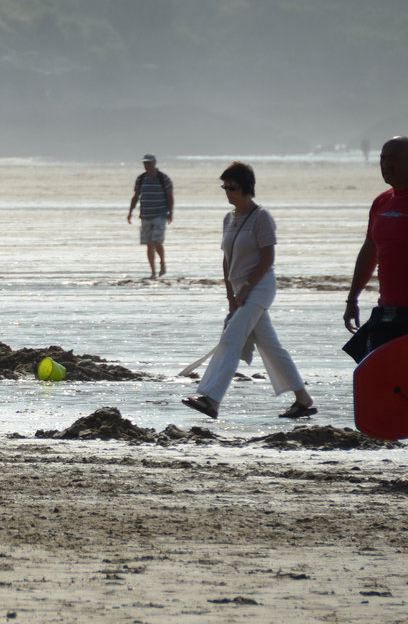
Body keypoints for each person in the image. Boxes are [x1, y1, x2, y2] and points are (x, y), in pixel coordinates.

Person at [183, 162, 315, 421]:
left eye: (233, 187)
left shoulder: (261, 217)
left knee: (231, 339)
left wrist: (245, 290)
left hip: (260, 287)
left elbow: (267, 258)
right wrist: (230, 295)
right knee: (271, 347)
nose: (228, 192)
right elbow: (226, 259)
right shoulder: (229, 219)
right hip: (240, 290)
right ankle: (303, 399)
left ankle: (211, 398)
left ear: (246, 188)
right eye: (225, 187)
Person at [343, 135, 408, 359]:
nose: (386, 165)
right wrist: (352, 299)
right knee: (375, 375)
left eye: (395, 159)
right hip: (388, 311)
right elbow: (370, 251)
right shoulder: (381, 202)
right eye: (382, 158)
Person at [127, 153, 174, 278]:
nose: (147, 165)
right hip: (145, 215)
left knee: (156, 241)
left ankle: (162, 263)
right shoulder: (141, 179)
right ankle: (153, 272)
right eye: (145, 163)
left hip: (160, 214)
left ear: (154, 163)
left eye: (149, 163)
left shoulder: (163, 178)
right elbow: (136, 196)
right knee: (149, 244)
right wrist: (130, 212)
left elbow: (170, 196)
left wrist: (171, 212)